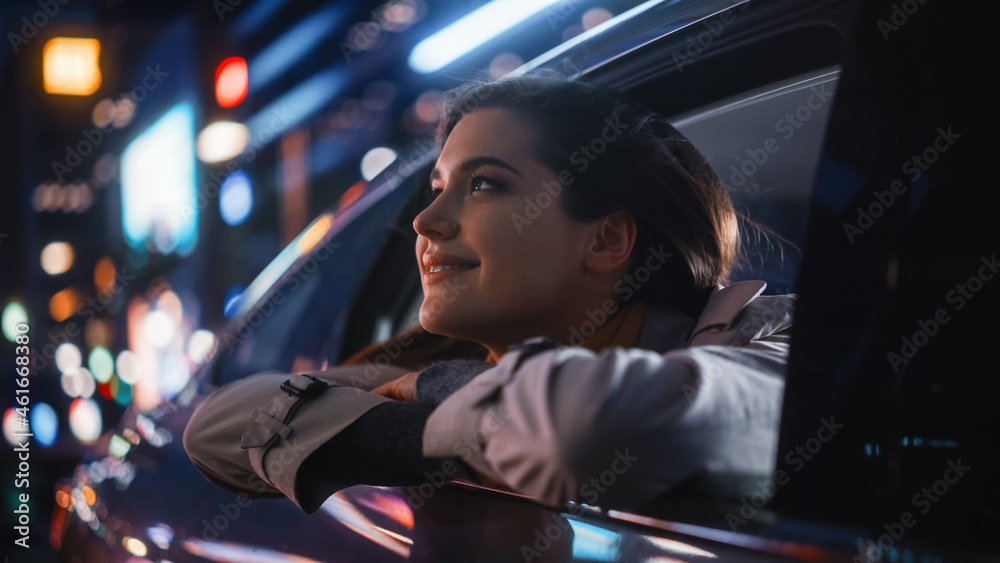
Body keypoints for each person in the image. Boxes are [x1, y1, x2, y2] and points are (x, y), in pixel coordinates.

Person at [182, 72, 795, 514]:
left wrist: (433, 394)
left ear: (606, 239)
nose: (425, 222)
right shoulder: (422, 358)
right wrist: (440, 425)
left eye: (483, 185)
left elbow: (579, 427)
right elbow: (214, 427)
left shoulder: (770, 339)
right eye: (437, 186)